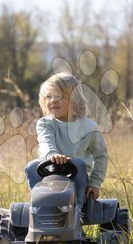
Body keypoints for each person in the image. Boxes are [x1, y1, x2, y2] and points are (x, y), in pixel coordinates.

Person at [25, 73, 108, 220]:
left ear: (74, 99)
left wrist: (95, 183)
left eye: (59, 96)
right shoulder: (45, 123)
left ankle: (78, 211)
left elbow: (100, 155)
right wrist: (52, 154)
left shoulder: (89, 126)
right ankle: (40, 208)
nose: (53, 101)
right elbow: (45, 142)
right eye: (49, 97)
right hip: (48, 170)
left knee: (77, 162)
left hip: (76, 175)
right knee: (31, 167)